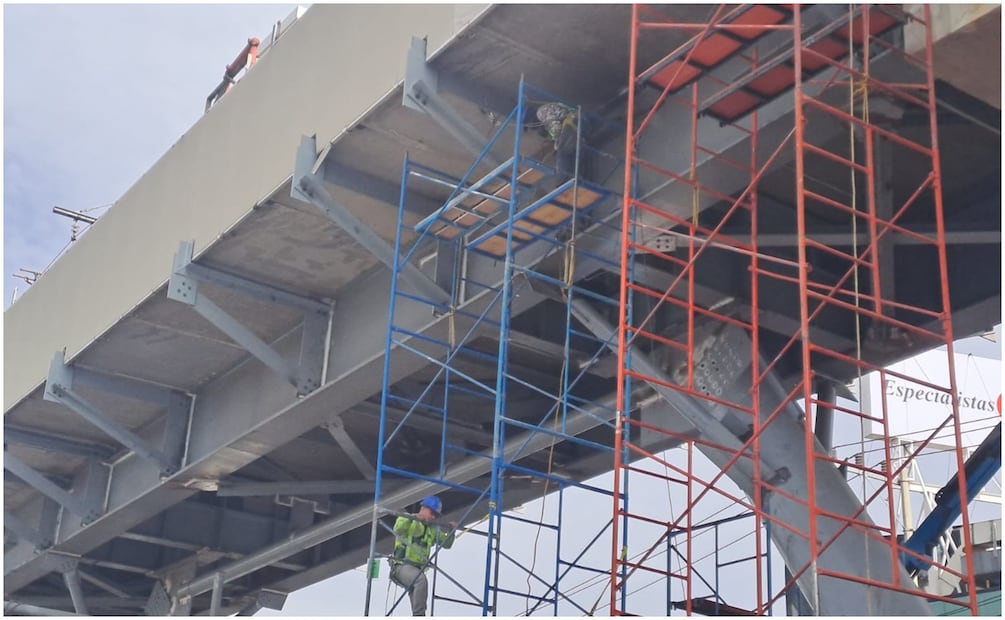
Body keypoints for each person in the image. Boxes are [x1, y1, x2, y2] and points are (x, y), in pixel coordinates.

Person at [389, 495, 457, 616]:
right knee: (420, 581)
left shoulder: (432, 529)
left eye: (436, 515)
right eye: (432, 513)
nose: (433, 517)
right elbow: (398, 529)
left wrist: (452, 531)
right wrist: (412, 518)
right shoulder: (407, 518)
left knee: (418, 590)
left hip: (417, 570)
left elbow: (447, 544)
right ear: (423, 508)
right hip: (401, 566)